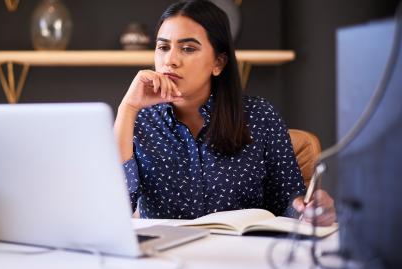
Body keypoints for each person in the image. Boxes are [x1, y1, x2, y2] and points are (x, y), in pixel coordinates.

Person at [114, 0, 335, 226]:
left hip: (241, 256)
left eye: (188, 48)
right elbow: (113, 208)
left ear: (218, 62)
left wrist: (309, 210)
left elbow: (288, 203)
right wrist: (128, 108)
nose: (170, 60)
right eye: (163, 47)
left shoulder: (260, 116)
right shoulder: (140, 119)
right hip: (165, 258)